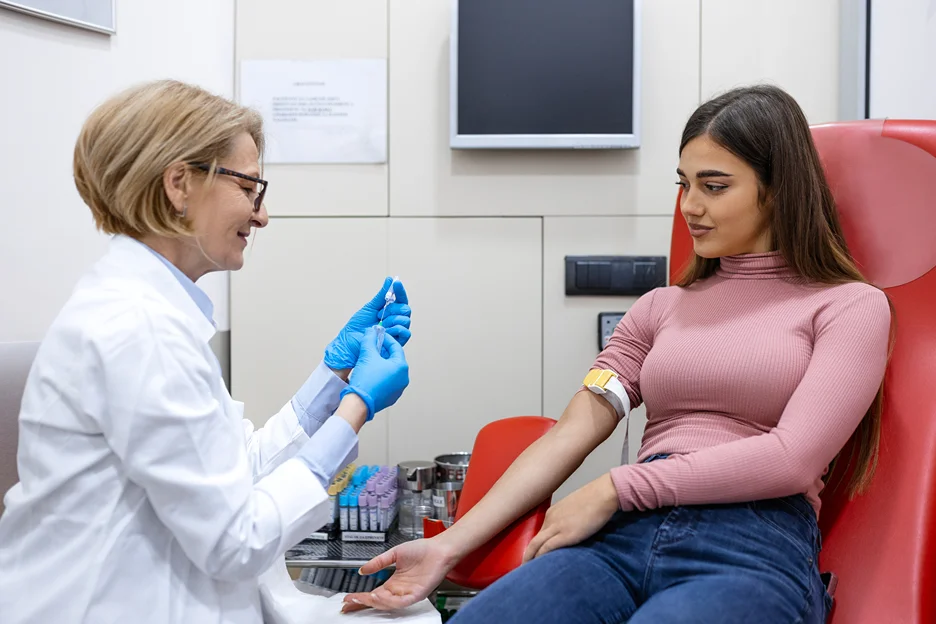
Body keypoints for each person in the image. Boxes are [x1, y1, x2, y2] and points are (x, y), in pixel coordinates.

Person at [342, 85, 893, 623]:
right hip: (621, 537)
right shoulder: (658, 308)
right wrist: (448, 547)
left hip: (750, 544)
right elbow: (570, 433)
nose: (690, 207)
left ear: (777, 189)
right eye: (683, 184)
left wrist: (616, 487)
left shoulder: (849, 308)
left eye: (715, 186)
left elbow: (790, 459)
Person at [0, 80, 412, 623]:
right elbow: (235, 540)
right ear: (179, 184)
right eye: (250, 189)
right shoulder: (138, 328)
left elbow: (241, 470)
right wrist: (355, 409)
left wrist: (336, 374)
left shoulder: (153, 314)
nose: (261, 217)